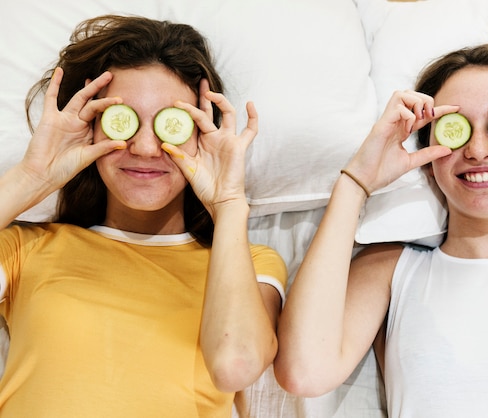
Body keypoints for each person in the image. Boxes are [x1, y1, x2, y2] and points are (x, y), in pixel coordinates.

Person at [274, 42, 488, 417]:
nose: (477, 150)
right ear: (428, 160)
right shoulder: (388, 269)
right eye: (455, 130)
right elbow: (304, 373)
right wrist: (356, 182)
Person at [0, 14, 287, 417]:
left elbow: (233, 365)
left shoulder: (248, 262)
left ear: (204, 134)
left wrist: (229, 206)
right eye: (123, 121)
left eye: (172, 124)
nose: (147, 148)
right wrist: (30, 179)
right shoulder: (25, 248)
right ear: (91, 127)